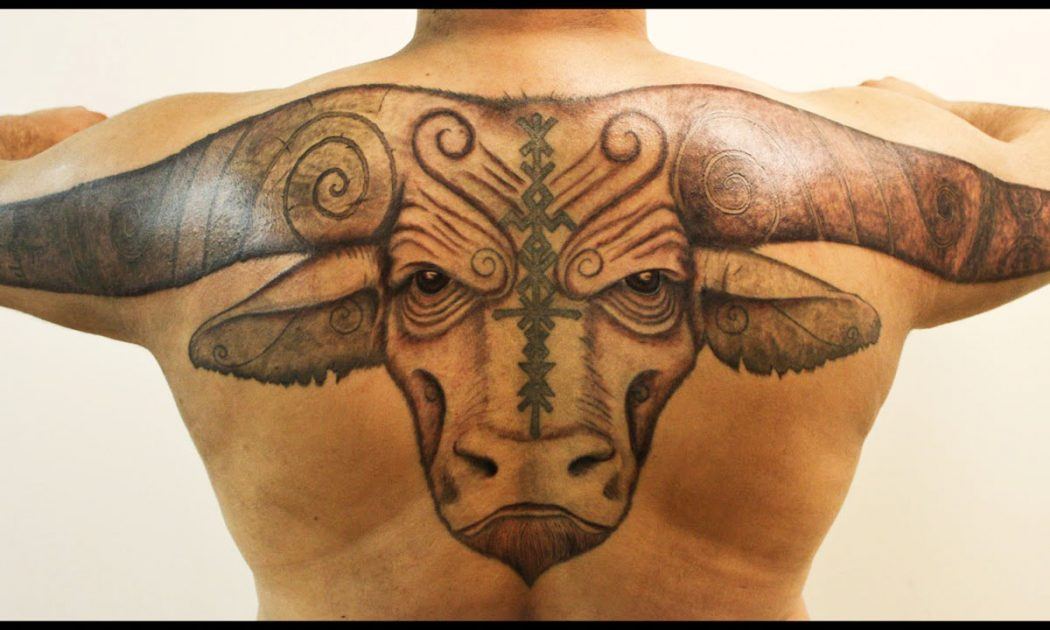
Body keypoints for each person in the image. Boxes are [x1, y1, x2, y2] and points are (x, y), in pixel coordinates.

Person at [0, 9, 1047, 621]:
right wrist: (943, 116)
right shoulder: (850, 154)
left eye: (646, 286)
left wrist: (55, 141)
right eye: (426, 286)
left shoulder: (188, 176)